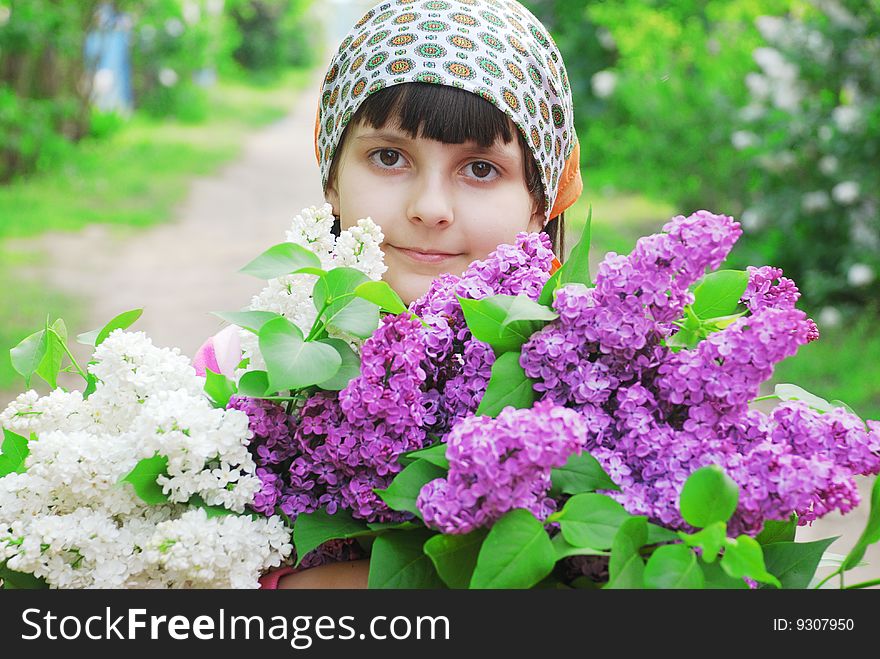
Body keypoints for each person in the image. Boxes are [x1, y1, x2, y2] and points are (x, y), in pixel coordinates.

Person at [198, 0, 584, 588]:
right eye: (389, 157)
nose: (429, 208)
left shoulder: (583, 386)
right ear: (331, 177)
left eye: (480, 169)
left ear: (540, 201)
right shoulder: (241, 367)